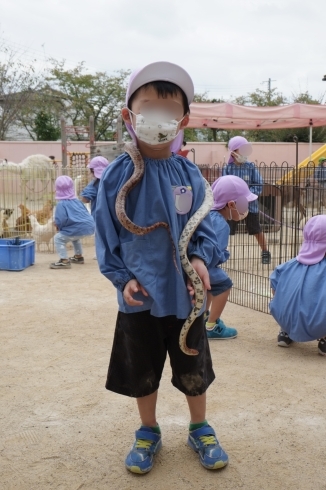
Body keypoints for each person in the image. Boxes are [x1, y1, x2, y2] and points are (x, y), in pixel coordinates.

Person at [96, 61, 229, 474]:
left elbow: (207, 225)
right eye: (148, 107)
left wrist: (200, 258)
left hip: (187, 296)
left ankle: (200, 427)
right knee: (143, 370)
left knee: (193, 366)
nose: (159, 118)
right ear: (128, 116)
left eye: (169, 110)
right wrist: (123, 277)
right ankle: (148, 430)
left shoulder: (189, 172)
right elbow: (107, 233)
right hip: (139, 297)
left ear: (183, 120)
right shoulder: (117, 175)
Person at [206, 175, 258, 339]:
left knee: (208, 287)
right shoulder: (221, 224)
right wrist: (224, 255)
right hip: (203, 266)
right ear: (231, 204)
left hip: (193, 263)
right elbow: (213, 255)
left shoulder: (207, 215)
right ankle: (211, 325)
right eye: (244, 204)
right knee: (224, 284)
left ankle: (203, 318)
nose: (246, 209)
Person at [269, 214, 326, 356]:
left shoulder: (288, 266)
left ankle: (285, 331)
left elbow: (274, 285)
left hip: (285, 319)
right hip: (318, 324)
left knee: (279, 287)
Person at [222, 136, 271, 265]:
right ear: (233, 152)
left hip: (250, 205)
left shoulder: (250, 167)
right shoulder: (228, 167)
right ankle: (221, 252)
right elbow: (224, 183)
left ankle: (265, 251)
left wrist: (248, 195)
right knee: (226, 229)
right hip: (232, 206)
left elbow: (259, 183)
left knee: (255, 229)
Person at [50, 176, 95, 269]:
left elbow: (61, 219)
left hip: (77, 228)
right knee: (75, 236)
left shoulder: (61, 204)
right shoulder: (77, 201)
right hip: (90, 226)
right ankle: (78, 256)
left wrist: (58, 226)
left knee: (58, 238)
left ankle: (64, 260)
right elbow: (85, 213)